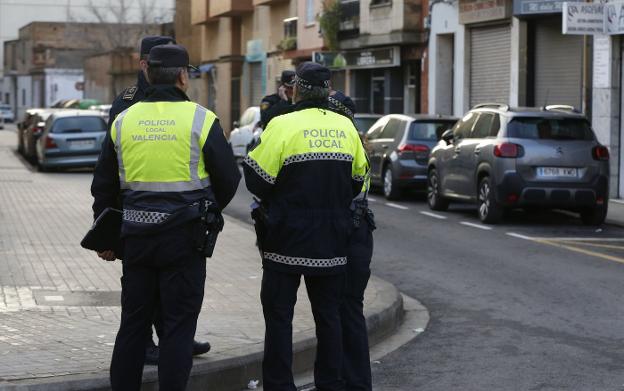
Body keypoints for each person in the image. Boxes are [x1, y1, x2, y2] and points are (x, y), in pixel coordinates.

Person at [91, 43, 241, 390]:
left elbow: (103, 185)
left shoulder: (124, 120)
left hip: (136, 240)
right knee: (178, 328)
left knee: (133, 325)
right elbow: (229, 179)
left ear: (148, 73)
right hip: (185, 240)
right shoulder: (201, 119)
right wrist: (207, 211)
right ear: (182, 78)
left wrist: (107, 235)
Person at [243, 62, 369, 391]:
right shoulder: (346, 128)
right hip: (332, 243)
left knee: (280, 319)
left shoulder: (282, 125)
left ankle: (279, 385)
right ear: (328, 91)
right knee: (329, 319)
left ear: (296, 89)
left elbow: (257, 179)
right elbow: (357, 182)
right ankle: (330, 383)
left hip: (284, 240)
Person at [103, 35, 212, 365]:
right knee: (139, 303)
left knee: (167, 297)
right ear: (145, 65)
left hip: (171, 220)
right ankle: (156, 342)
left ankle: (173, 337)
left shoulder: (188, 111)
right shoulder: (127, 103)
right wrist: (108, 229)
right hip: (136, 217)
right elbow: (109, 173)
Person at [328, 91, 376, 391]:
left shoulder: (346, 145)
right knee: (346, 309)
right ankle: (352, 381)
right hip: (358, 234)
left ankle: (352, 382)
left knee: (342, 310)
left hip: (349, 233)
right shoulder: (355, 142)